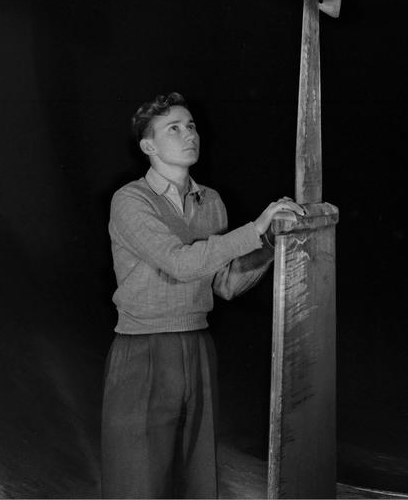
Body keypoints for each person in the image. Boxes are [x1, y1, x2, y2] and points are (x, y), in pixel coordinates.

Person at [101, 92, 304, 499]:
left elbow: (225, 283)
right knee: (137, 480)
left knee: (196, 477)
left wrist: (269, 241)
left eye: (191, 125)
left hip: (197, 346)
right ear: (148, 146)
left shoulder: (210, 202)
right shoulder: (131, 200)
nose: (189, 134)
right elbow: (179, 263)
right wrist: (253, 228)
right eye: (173, 128)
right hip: (144, 350)